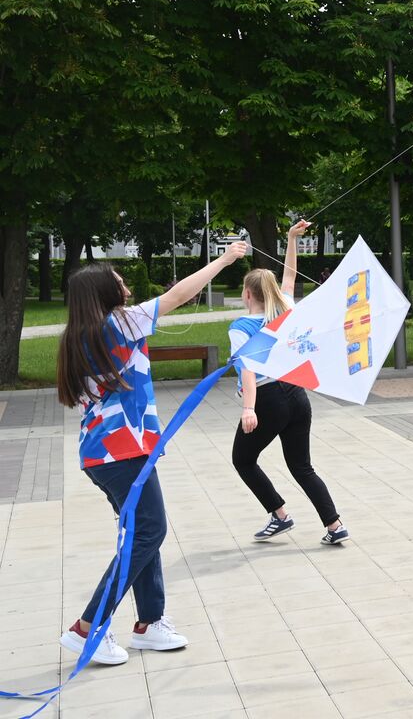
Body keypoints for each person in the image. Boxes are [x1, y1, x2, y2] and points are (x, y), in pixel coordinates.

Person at [56, 241, 249, 666]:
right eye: (119, 281)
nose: (125, 285)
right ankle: (87, 627)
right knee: (149, 532)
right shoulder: (119, 324)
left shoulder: (81, 334)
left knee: (142, 532)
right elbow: (179, 295)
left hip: (105, 453)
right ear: (105, 294)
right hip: (122, 453)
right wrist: (226, 258)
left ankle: (149, 622)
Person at [229, 221, 348, 546]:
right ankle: (334, 525)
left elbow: (249, 369)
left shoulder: (240, 326)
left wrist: (248, 409)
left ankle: (280, 515)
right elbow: (291, 276)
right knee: (301, 466)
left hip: (268, 399)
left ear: (248, 293)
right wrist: (292, 239)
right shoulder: (286, 310)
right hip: (297, 394)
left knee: (242, 459)